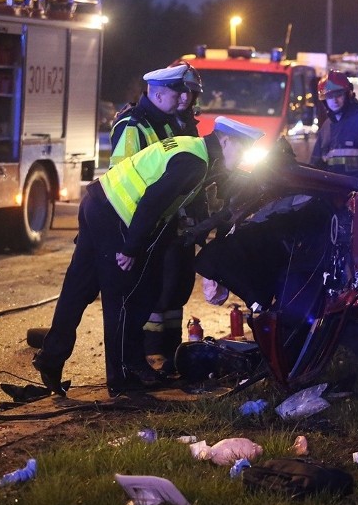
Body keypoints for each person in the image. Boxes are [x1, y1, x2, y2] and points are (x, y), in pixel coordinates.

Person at [32, 114, 264, 397]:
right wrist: (130, 248)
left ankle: (51, 358)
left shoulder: (193, 148)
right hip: (117, 215)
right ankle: (120, 379)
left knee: (79, 288)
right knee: (125, 298)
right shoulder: (195, 162)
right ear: (225, 140)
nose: (242, 159)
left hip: (100, 202)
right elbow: (152, 201)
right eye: (241, 149)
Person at [110, 63, 205, 375]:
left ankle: (170, 351)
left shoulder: (179, 124)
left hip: (176, 223)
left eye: (188, 93)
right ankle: (150, 355)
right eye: (180, 92)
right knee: (154, 293)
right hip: (150, 224)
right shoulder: (138, 124)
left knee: (177, 288)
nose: (185, 98)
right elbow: (126, 179)